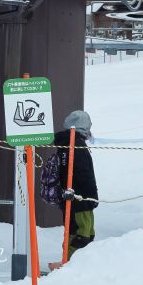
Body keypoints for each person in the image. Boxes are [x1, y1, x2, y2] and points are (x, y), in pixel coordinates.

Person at [47, 110, 98, 271]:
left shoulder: (70, 143)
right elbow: (82, 175)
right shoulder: (74, 145)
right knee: (81, 233)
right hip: (79, 200)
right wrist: (90, 198)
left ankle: (74, 262)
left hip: (78, 198)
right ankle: (68, 264)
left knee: (82, 232)